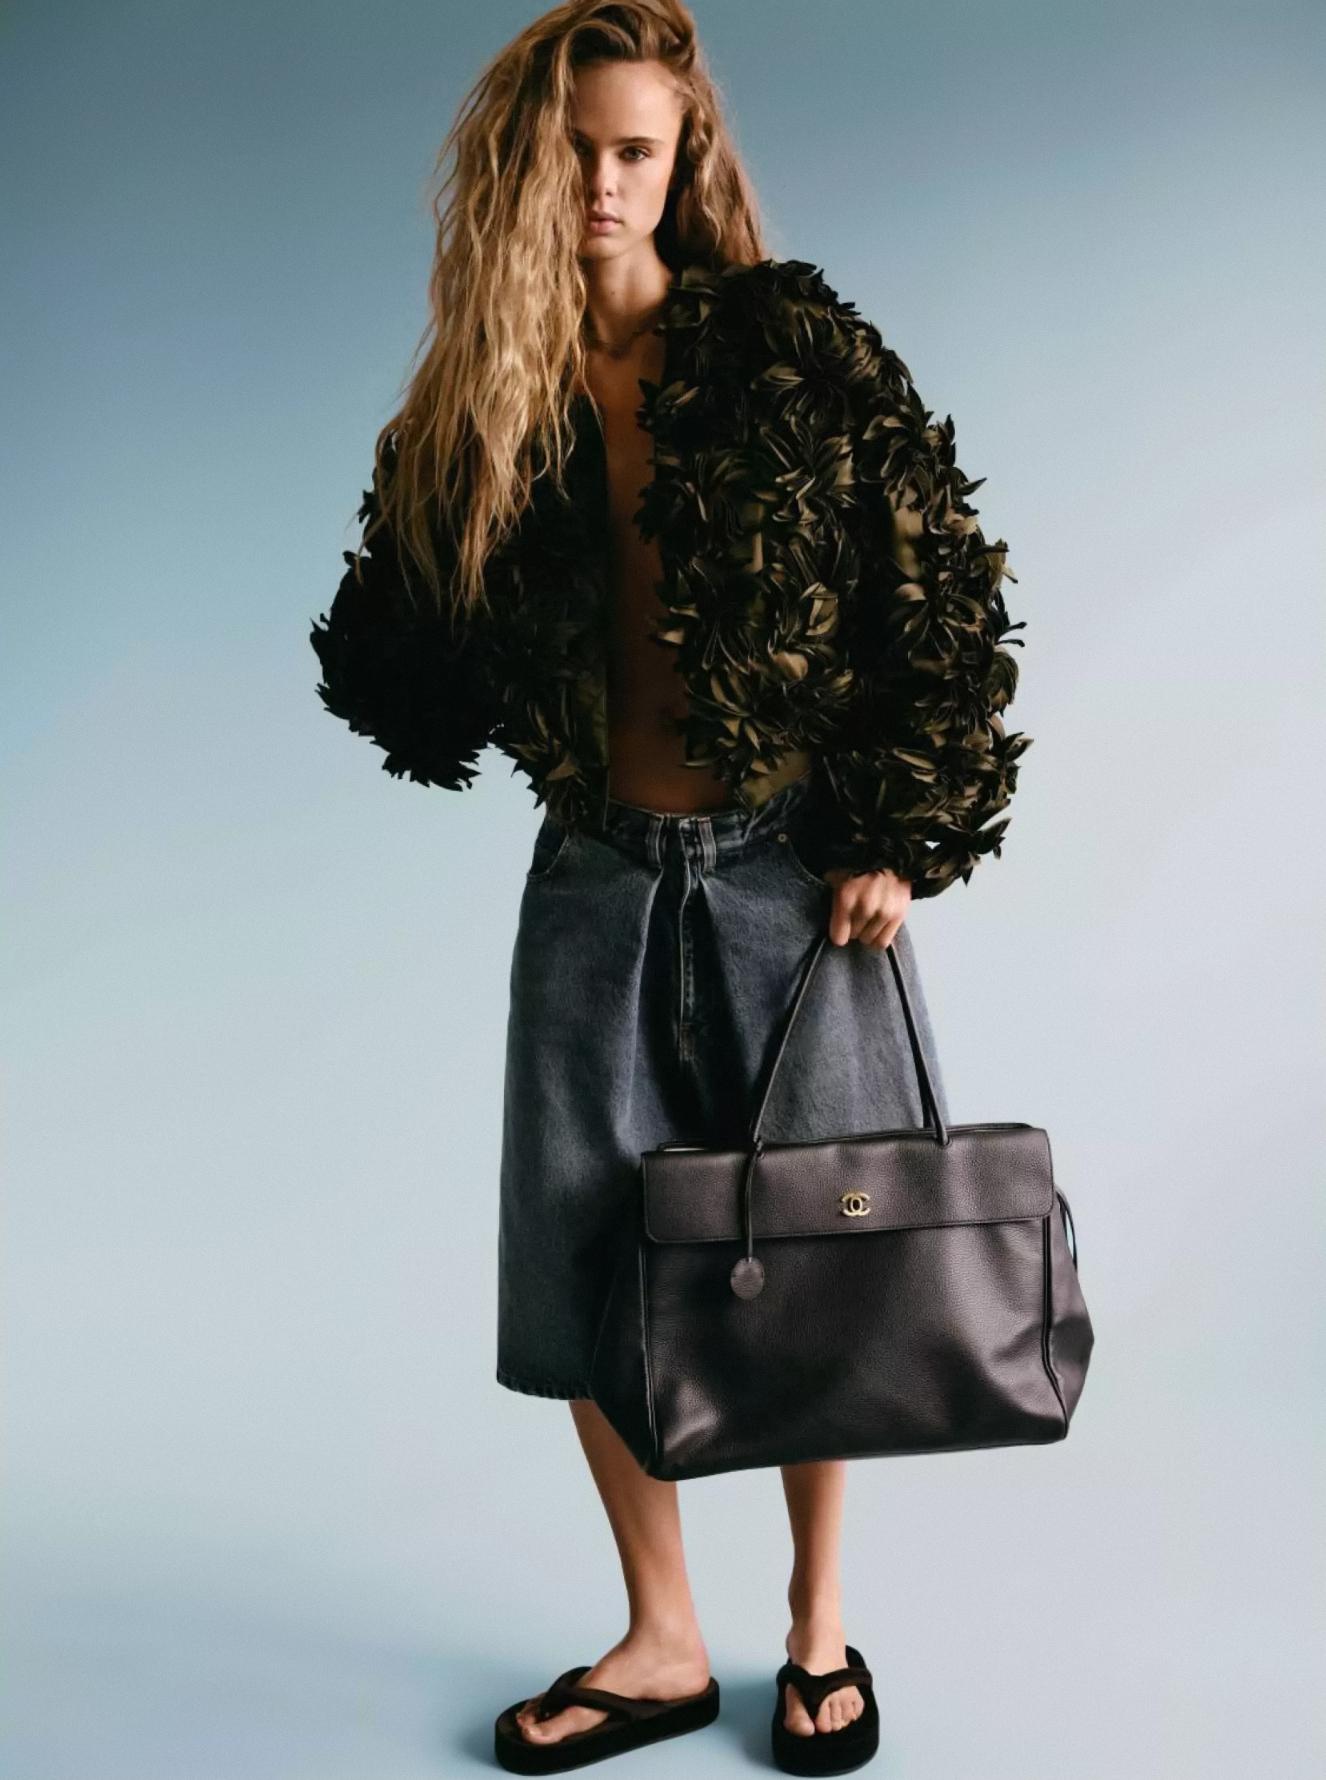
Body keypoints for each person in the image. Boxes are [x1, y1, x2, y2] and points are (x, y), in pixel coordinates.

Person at [309, 3, 1030, 1772]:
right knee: (583, 1262)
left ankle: (815, 1628)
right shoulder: (487, 397)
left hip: (792, 875)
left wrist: (899, 828)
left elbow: (933, 584)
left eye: (634, 149)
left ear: (684, 156)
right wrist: (438, 469)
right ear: (517, 168)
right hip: (596, 873)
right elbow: (408, 680)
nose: (602, 184)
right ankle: (660, 1639)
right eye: (570, 153)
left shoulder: (791, 347)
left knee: (824, 1243)